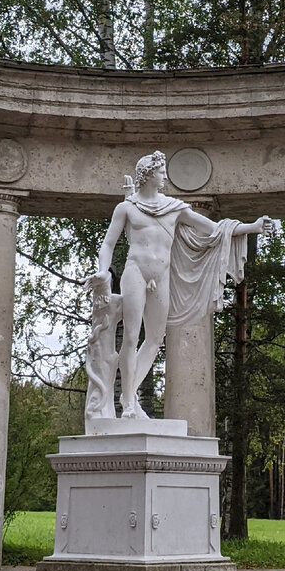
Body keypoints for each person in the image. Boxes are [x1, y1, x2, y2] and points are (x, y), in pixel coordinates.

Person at [91, 151, 270, 419]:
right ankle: (129, 403)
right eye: (161, 172)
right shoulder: (127, 208)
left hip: (161, 276)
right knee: (130, 337)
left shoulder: (174, 208)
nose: (165, 176)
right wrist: (102, 272)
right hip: (135, 273)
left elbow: (213, 228)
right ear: (148, 175)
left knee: (153, 339)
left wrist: (252, 227)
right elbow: (108, 244)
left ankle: (130, 392)